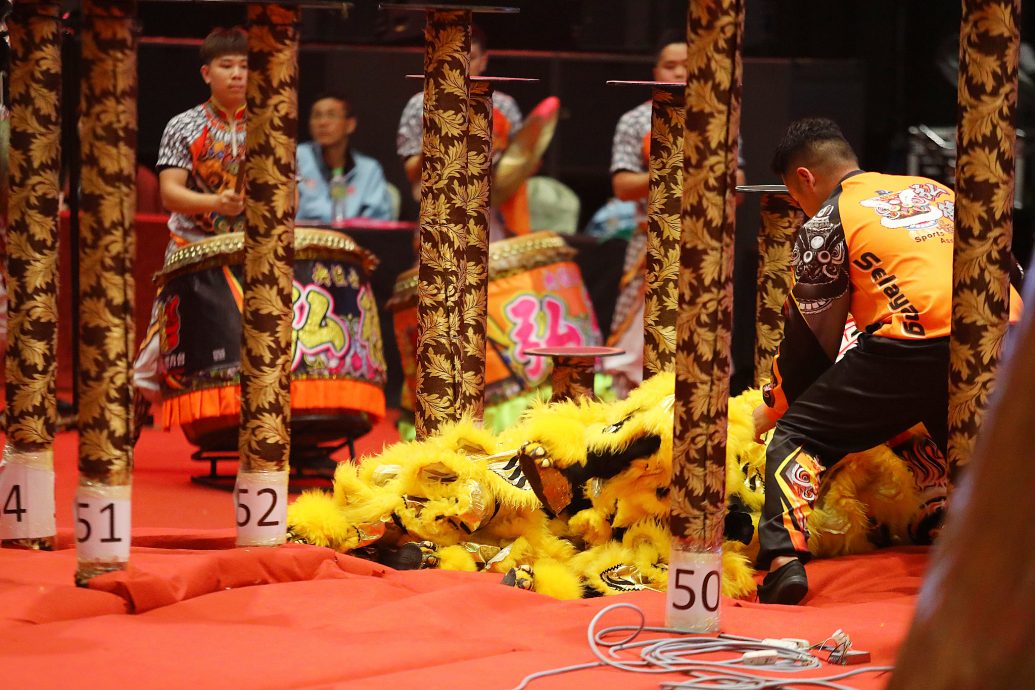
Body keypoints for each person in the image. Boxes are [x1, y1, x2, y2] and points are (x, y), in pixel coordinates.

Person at [751, 117, 1021, 605]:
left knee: (798, 436)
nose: (799, 206)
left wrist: (774, 406)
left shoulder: (826, 222)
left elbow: (812, 343)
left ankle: (782, 562)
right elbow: (1008, 265)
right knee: (972, 449)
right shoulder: (935, 190)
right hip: (1007, 335)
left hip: (916, 344)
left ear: (805, 179)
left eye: (795, 196)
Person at [604, 37, 745, 395]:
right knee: (640, 342)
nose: (680, 70)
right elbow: (622, 185)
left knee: (703, 337)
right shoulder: (634, 120)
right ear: (655, 72)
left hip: (705, 245)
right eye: (670, 65)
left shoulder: (719, 116)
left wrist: (699, 174)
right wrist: (678, 167)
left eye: (687, 63)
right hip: (648, 244)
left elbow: (738, 181)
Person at [133, 26, 248, 403]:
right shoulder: (184, 125)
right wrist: (216, 204)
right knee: (155, 352)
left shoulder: (272, 126)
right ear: (206, 73)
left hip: (250, 252)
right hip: (191, 249)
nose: (236, 74)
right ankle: (121, 432)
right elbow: (170, 194)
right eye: (226, 65)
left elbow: (289, 194)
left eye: (245, 66)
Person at [396, 25, 527, 237]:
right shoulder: (419, 104)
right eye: (456, 57)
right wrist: (435, 139)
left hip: (489, 214)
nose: (463, 66)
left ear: (484, 61)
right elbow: (412, 172)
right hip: (435, 211)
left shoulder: (504, 106)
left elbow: (519, 166)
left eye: (472, 57)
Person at [296, 92, 395, 224]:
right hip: (304, 239)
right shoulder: (297, 158)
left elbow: (379, 221)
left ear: (350, 125)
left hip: (353, 241)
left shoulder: (369, 169)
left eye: (331, 115)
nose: (322, 122)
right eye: (316, 115)